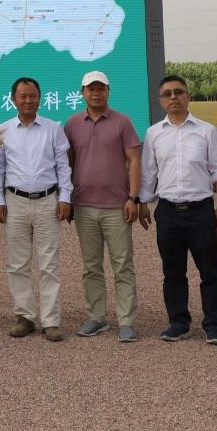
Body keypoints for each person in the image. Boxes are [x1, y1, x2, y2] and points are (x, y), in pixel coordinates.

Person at [140, 74, 217, 346]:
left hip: (200, 211)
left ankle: (214, 325)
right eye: (167, 94)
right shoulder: (154, 133)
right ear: (160, 100)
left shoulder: (206, 131)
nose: (173, 97)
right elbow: (148, 173)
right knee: (173, 272)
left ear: (188, 96)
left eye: (178, 92)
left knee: (209, 270)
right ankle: (178, 323)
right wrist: (143, 203)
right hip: (167, 211)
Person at [0, 78, 73, 342]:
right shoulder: (2, 131)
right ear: (13, 99)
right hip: (15, 201)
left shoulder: (53, 129)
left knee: (49, 262)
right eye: (23, 96)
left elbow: (63, 166)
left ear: (40, 98)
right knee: (17, 263)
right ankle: (24, 316)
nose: (28, 101)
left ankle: (51, 320)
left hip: (48, 200)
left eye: (33, 96)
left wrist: (65, 197)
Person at [63, 70, 143, 343]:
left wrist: (133, 197)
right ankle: (96, 317)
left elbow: (134, 160)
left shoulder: (122, 121)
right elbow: (68, 163)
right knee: (91, 266)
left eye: (101, 88)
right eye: (90, 89)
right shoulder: (73, 124)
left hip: (117, 206)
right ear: (82, 92)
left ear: (108, 91)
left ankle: (127, 321)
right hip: (84, 205)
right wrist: (67, 198)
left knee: (123, 265)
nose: (96, 93)